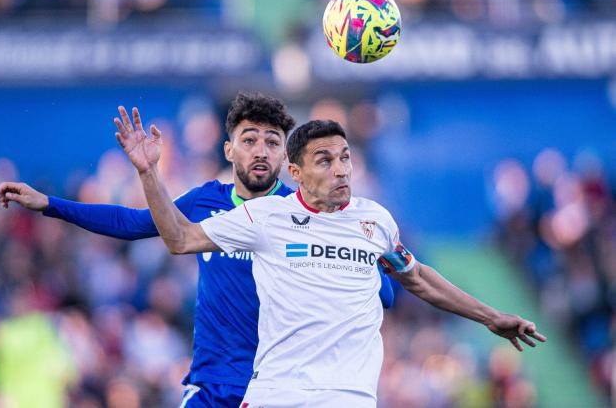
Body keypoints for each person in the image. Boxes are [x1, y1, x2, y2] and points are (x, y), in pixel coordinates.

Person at [119, 110, 547, 407]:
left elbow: (417, 278)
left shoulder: (375, 221)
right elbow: (178, 238)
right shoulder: (265, 217)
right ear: (296, 173)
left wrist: (490, 316)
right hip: (276, 396)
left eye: (345, 158)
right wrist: (148, 172)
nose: (341, 169)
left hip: (348, 398)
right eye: (324, 160)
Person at [0, 92, 396, 407]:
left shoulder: (302, 215)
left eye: (272, 142)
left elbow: (381, 292)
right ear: (228, 150)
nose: (260, 150)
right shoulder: (204, 201)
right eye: (249, 139)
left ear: (285, 156)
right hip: (211, 383)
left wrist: (369, 273)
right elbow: (133, 223)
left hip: (279, 388)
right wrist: (49, 203)